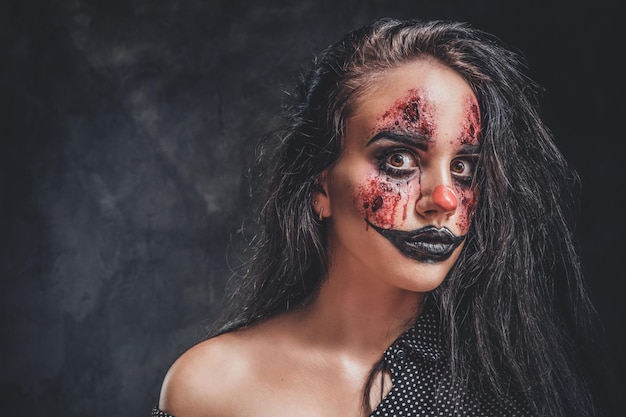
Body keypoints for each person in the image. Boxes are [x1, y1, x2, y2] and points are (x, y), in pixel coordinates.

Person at [153, 18, 603, 417]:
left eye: (464, 168)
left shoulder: (507, 392)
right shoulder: (209, 386)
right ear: (320, 185)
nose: (445, 198)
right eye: (400, 160)